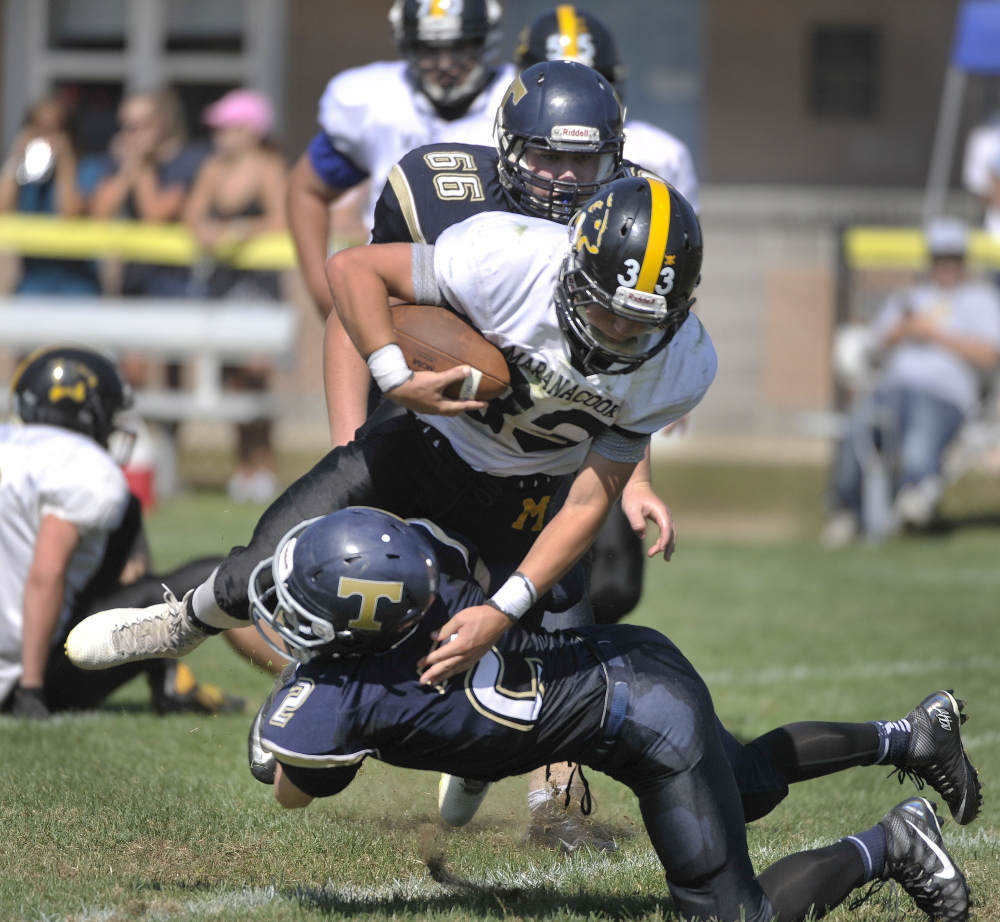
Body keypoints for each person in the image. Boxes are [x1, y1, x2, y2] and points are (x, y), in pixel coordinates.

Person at [66, 175, 709, 709]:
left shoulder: (684, 366)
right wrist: (394, 377)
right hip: (419, 448)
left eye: (642, 322)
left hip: (531, 493)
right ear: (572, 269)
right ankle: (184, 623)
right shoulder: (505, 259)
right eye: (604, 309)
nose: (619, 333)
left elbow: (587, 504)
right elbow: (352, 270)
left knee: (548, 666)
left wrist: (506, 610)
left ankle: (539, 791)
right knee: (265, 568)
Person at [253, 506, 971, 922]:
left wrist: (292, 733)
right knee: (748, 781)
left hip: (647, 724)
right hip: (628, 661)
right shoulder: (433, 573)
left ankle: (895, 843)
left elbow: (290, 792)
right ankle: (910, 737)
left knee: (733, 917)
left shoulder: (343, 700)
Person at [0, 346, 243, 719]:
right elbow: (46, 574)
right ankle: (308, 678)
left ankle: (169, 678)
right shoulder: (85, 467)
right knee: (223, 576)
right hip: (24, 673)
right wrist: (31, 690)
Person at [287, 0, 512, 321]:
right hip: (394, 300)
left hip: (499, 301)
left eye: (460, 46)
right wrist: (324, 291)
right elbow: (306, 190)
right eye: (428, 48)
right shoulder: (376, 103)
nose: (445, 63)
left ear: (486, 40)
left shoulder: (520, 98)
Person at [824, 218, 1000, 545]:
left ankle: (917, 488)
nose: (947, 265)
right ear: (931, 259)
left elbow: (991, 355)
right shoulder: (908, 299)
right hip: (893, 386)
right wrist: (902, 332)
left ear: (963, 259)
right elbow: (873, 348)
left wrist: (935, 335)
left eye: (954, 257)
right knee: (858, 425)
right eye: (940, 257)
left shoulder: (982, 300)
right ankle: (846, 509)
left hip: (947, 394)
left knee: (922, 417)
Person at [183, 89, 288, 505]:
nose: (219, 134)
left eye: (228, 126)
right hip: (223, 283)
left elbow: (282, 217)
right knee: (231, 377)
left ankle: (264, 464)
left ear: (252, 130)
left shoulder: (268, 166)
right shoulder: (213, 168)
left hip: (258, 284)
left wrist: (242, 232)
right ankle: (242, 465)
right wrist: (206, 231)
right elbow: (193, 215)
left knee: (257, 373)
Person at [513, 5, 699, 211]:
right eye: (550, 156)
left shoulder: (662, 155)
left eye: (584, 158)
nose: (572, 100)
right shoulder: (483, 136)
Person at [90, 89, 208, 298]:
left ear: (164, 123)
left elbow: (155, 217)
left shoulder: (188, 161)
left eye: (143, 125)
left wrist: (140, 166)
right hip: (134, 280)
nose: (133, 135)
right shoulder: (122, 163)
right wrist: (127, 172)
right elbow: (98, 214)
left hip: (177, 282)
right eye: (127, 127)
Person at [0, 95, 103, 295]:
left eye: (53, 130)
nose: (45, 138)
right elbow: (2, 209)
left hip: (77, 283)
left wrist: (65, 161)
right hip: (33, 281)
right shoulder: (25, 175)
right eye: (38, 129)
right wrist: (15, 157)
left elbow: (70, 214)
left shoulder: (87, 168)